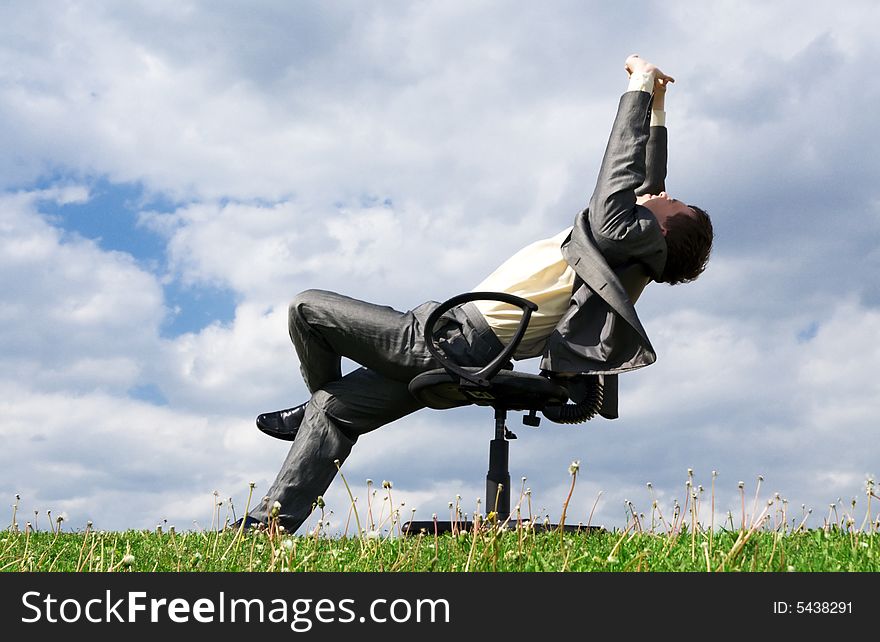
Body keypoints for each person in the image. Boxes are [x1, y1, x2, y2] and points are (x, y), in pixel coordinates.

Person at [239, 55, 713, 532]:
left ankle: (313, 399)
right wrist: (657, 105)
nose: (658, 195)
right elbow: (647, 180)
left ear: (665, 230)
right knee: (334, 414)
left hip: (457, 340)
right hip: (463, 349)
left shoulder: (623, 238)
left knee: (307, 308)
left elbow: (618, 193)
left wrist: (636, 86)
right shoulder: (630, 258)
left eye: (670, 202)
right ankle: (262, 530)